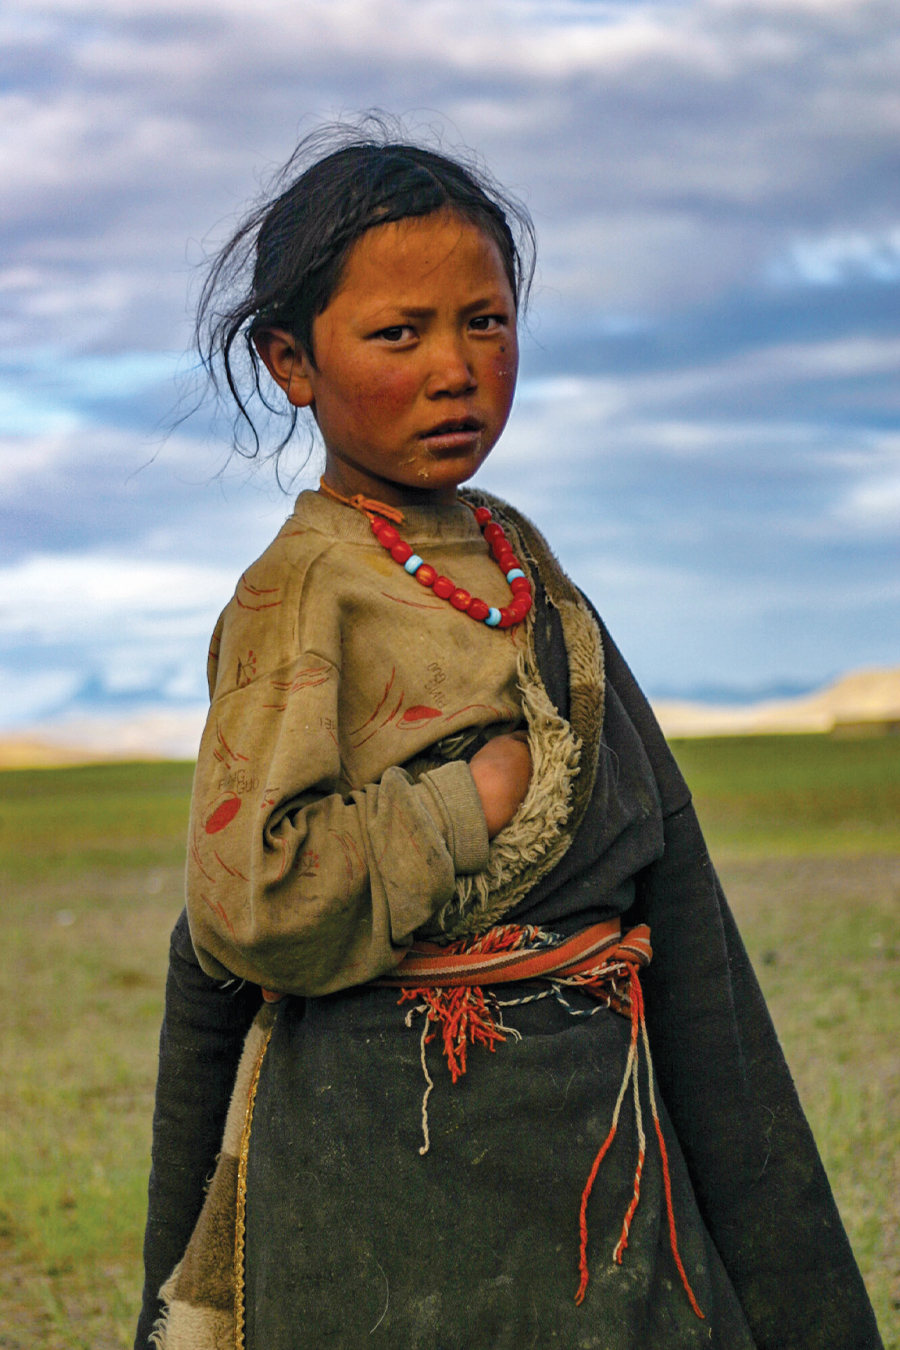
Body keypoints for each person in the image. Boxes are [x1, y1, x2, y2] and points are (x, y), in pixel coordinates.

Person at [135, 122, 883, 1350]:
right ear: (289, 360)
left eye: (485, 321)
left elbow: (669, 880)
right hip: (391, 1169)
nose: (456, 368)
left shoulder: (521, 562)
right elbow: (246, 905)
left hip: (598, 1146)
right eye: (399, 333)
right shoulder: (301, 595)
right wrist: (464, 801)